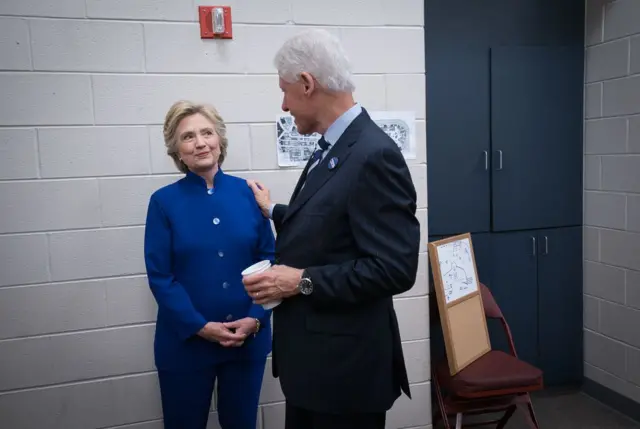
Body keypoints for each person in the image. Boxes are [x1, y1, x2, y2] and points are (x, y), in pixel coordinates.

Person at [243, 29, 421, 429]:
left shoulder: (373, 155)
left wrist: (300, 281)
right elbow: (331, 221)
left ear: (308, 84)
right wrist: (273, 209)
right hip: (316, 371)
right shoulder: (335, 147)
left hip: (345, 380)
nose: (284, 105)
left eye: (285, 91)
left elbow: (394, 269)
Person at [143, 100, 275, 429]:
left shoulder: (249, 194)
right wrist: (201, 327)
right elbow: (161, 277)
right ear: (177, 149)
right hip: (185, 344)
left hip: (247, 340)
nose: (200, 142)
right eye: (188, 137)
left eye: (207, 132)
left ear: (220, 140)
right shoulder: (163, 202)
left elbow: (270, 260)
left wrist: (256, 319)